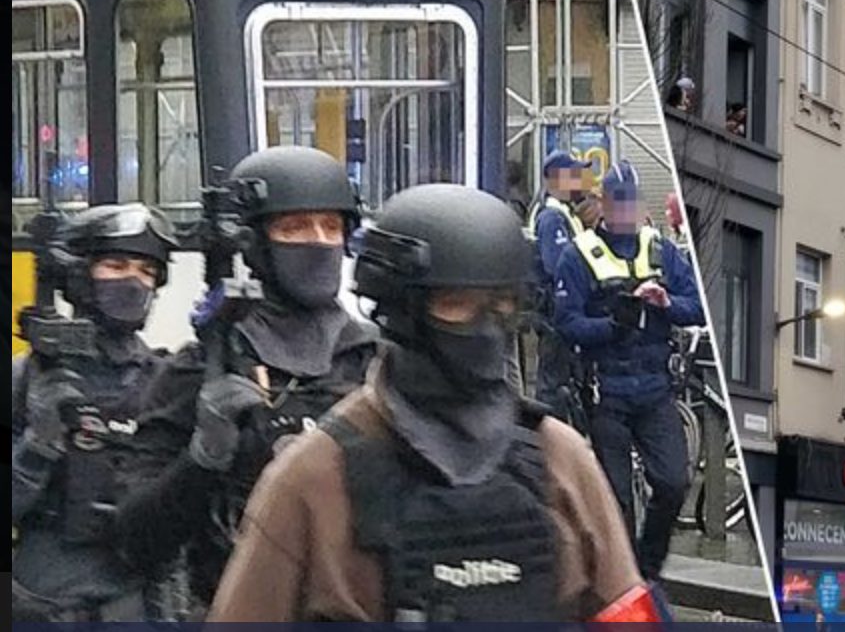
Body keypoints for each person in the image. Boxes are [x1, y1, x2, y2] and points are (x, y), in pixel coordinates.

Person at [206, 183, 657, 622]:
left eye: (500, 304)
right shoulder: (313, 478)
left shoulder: (561, 459)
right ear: (400, 311)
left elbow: (624, 611)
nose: (483, 326)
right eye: (455, 304)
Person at [113, 146, 379, 607]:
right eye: (293, 227)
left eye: (330, 227)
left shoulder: (378, 361)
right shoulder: (202, 366)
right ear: (256, 243)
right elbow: (135, 539)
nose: (317, 241)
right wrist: (202, 459)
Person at [12, 204, 178, 621]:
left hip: (139, 598)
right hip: (43, 599)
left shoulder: (168, 381)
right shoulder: (26, 378)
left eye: (146, 271)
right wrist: (38, 447)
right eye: (116, 264)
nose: (133, 281)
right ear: (80, 275)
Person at [552, 161, 705, 583]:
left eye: (632, 204)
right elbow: (566, 325)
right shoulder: (579, 255)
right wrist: (614, 323)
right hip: (607, 392)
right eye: (618, 203)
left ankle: (646, 568)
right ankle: (620, 582)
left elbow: (696, 306)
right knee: (615, 500)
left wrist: (664, 303)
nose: (625, 213)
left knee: (674, 483)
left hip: (655, 388)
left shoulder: (661, 250)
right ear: (604, 204)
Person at [524, 150, 604, 415]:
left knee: (566, 383)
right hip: (556, 315)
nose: (581, 181)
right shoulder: (552, 218)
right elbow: (557, 265)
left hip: (563, 312)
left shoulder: (566, 216)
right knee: (553, 387)